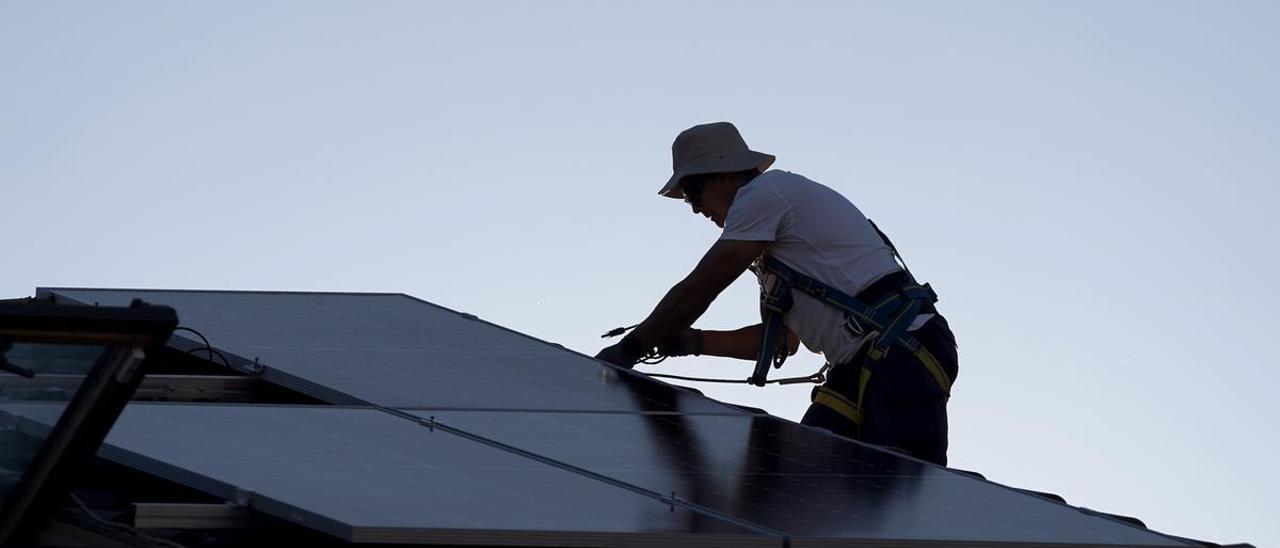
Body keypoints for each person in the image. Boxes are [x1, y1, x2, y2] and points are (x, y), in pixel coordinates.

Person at [595, 122, 959, 465]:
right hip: (869, 360)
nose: (693, 208)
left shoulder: (764, 194)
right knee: (794, 482)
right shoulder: (772, 250)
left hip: (901, 351)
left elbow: (701, 287)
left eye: (692, 192)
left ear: (724, 173)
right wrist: (692, 341)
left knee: (894, 495)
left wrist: (632, 347)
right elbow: (781, 341)